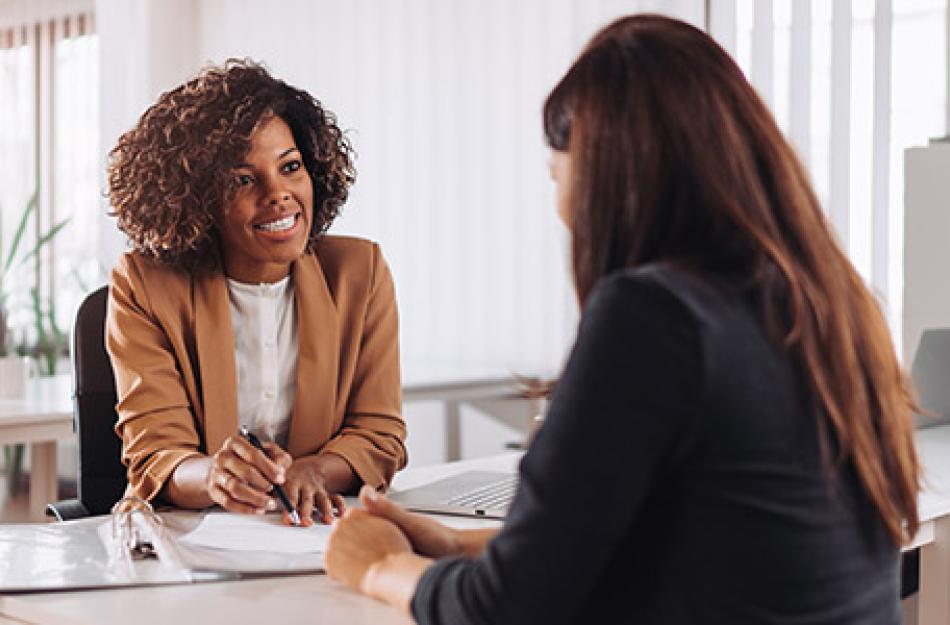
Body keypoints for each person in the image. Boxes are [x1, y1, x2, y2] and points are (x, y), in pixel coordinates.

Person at [324, 14, 919, 624]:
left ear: (608, 177)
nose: (561, 211)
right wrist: (453, 543)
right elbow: (694, 540)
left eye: (558, 176)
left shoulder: (655, 316)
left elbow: (506, 612)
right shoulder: (836, 305)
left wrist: (378, 567)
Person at [106, 60, 407, 525]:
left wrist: (314, 472)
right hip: (188, 541)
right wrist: (214, 476)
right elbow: (157, 454)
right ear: (197, 199)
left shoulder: (358, 273)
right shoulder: (144, 284)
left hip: (313, 533)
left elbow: (379, 435)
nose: (279, 194)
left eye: (290, 167)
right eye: (243, 180)